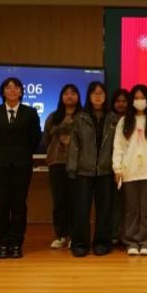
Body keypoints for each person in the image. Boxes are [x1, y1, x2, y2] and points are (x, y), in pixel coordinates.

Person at [0, 77, 42, 259]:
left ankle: (16, 242)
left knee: (18, 204)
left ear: (21, 92)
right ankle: (3, 242)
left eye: (16, 87)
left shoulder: (30, 112)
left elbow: (35, 138)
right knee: (2, 204)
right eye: (8, 87)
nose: (12, 90)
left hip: (22, 165)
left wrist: (22, 153)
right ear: (3, 92)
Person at [112, 84, 147, 256]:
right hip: (129, 171)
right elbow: (118, 146)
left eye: (142, 98)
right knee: (132, 209)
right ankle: (131, 242)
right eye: (136, 98)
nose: (139, 101)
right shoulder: (124, 121)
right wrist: (117, 168)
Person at [66, 81, 118, 257]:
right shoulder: (80, 118)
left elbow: (118, 146)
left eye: (101, 93)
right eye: (94, 93)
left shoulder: (113, 118)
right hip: (83, 171)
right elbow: (74, 145)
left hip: (106, 171)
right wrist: (72, 168)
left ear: (105, 96)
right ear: (88, 96)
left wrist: (117, 168)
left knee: (105, 209)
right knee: (81, 210)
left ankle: (102, 243)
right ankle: (80, 244)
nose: (98, 96)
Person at [43, 84, 80, 249]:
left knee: (75, 201)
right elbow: (46, 140)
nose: (69, 96)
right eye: (66, 93)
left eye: (73, 93)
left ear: (78, 96)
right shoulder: (53, 117)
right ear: (61, 97)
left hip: (78, 164)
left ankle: (74, 235)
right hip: (57, 163)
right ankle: (60, 235)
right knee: (59, 201)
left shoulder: (83, 116)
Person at [109, 88, 130, 244]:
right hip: (109, 167)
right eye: (118, 101)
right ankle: (114, 234)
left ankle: (127, 234)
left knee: (128, 203)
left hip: (130, 167)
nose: (121, 104)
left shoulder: (133, 119)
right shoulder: (108, 118)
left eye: (124, 101)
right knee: (114, 203)